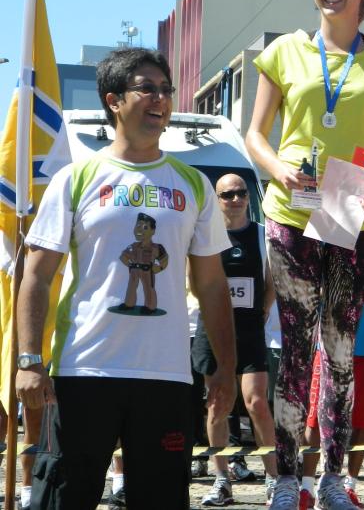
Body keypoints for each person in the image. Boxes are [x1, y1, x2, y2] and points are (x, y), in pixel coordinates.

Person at [14, 47, 236, 509]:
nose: (160, 99)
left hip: (167, 376)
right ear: (113, 100)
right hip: (83, 371)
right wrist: (29, 360)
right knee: (60, 499)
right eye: (147, 89)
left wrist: (226, 367)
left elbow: (213, 285)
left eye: (166, 90)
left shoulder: (193, 184)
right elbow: (36, 275)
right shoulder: (75, 178)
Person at [244, 0, 364, 507]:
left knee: (340, 352)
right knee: (296, 348)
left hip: (352, 212)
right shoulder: (284, 52)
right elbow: (255, 135)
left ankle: (333, 479)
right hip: (292, 211)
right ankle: (285, 479)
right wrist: (278, 169)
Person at [300, 230, 364, 507]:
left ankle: (349, 486)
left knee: (363, 421)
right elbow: (308, 286)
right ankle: (306, 488)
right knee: (315, 419)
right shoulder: (329, 234)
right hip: (330, 345)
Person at [191, 173, 279, 505]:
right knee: (217, 403)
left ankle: (274, 479)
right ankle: (221, 481)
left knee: (256, 402)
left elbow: (271, 282)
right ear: (217, 200)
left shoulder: (262, 234)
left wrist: (264, 308)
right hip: (212, 330)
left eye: (241, 193)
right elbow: (195, 283)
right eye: (228, 195)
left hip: (249, 330)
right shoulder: (205, 235)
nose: (236, 199)